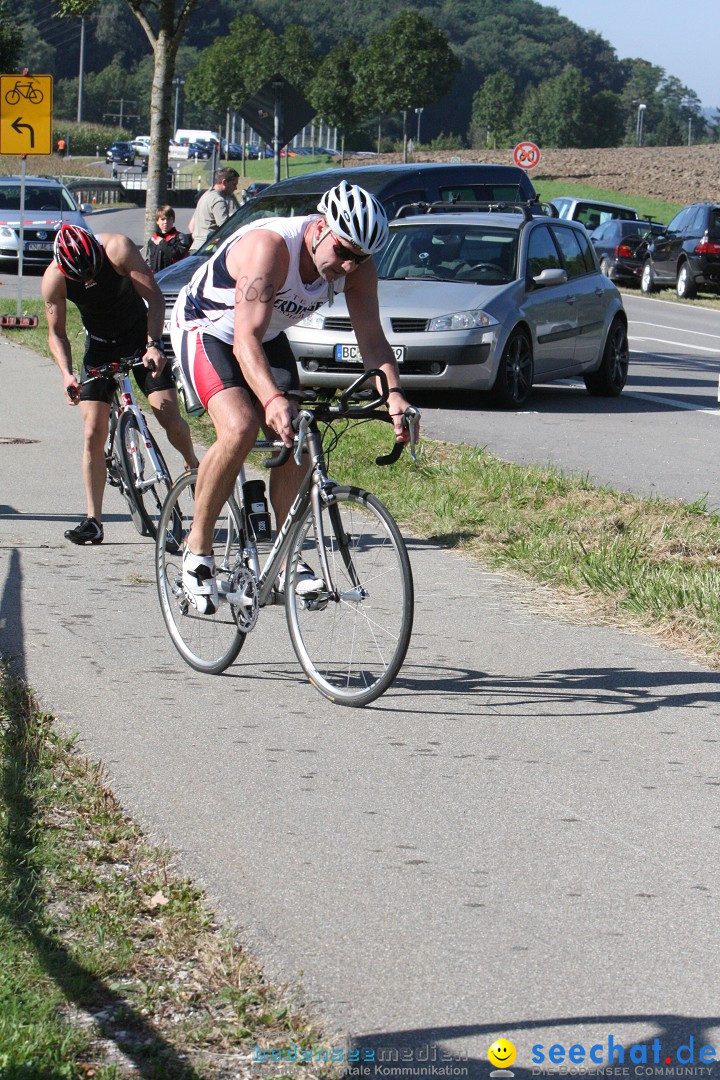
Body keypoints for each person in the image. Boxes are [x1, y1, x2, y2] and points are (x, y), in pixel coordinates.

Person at [170, 179, 419, 614]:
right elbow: (243, 339)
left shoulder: (357, 267)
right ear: (320, 226)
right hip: (207, 327)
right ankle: (197, 551)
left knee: (298, 435)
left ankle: (286, 559)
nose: (346, 266)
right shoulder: (270, 248)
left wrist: (394, 395)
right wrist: (270, 400)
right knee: (242, 426)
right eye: (342, 252)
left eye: (358, 258)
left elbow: (373, 341)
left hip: (265, 334)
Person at [43, 224, 199, 545]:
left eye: (92, 271)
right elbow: (56, 334)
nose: (88, 280)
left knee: (167, 414)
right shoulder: (54, 279)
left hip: (138, 337)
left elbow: (154, 298)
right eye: (80, 277)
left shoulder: (119, 249)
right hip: (99, 346)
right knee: (92, 433)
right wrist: (67, 374)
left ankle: (192, 464)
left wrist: (154, 343)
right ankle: (94, 521)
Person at [188, 168, 240, 252]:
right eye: (234, 184)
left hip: (196, 247)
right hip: (208, 250)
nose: (236, 188)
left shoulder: (205, 196)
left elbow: (191, 226)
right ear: (224, 182)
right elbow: (226, 229)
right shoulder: (218, 200)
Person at [145, 205, 191, 273]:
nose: (166, 222)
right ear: (157, 221)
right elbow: (148, 260)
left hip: (172, 276)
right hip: (155, 277)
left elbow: (177, 255)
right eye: (162, 219)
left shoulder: (180, 237)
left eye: (169, 219)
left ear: (173, 220)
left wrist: (162, 243)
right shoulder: (153, 239)